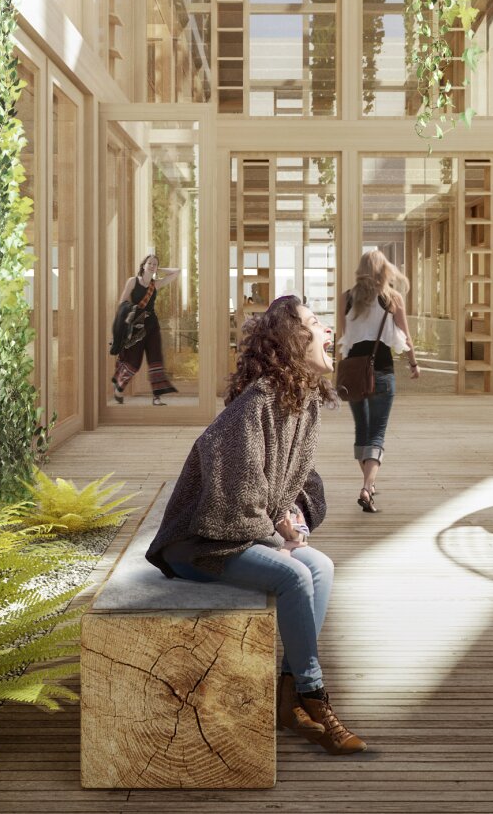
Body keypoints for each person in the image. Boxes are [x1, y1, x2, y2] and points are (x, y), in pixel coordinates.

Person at [145, 294, 364, 756]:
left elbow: (292, 481)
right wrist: (272, 537)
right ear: (291, 340)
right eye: (316, 323)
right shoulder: (256, 403)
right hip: (200, 543)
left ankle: (289, 694)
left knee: (320, 565)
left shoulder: (301, 403)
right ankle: (314, 695)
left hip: (241, 534)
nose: (329, 332)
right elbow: (234, 496)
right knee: (293, 573)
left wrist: (291, 520)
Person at [334, 249, 412, 512]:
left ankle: (369, 482)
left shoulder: (346, 298)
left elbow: (344, 337)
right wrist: (414, 363)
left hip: (354, 372)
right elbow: (405, 335)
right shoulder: (392, 298)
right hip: (383, 370)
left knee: (362, 431)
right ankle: (368, 487)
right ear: (383, 270)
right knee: (377, 433)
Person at [110, 254, 182, 406]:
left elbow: (177, 272)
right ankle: (119, 387)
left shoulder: (155, 285)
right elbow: (122, 302)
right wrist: (134, 310)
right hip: (136, 327)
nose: (152, 266)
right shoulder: (132, 281)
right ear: (143, 265)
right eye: (149, 263)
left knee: (156, 359)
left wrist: (158, 269)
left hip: (152, 325)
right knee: (134, 361)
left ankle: (157, 397)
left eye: (154, 264)